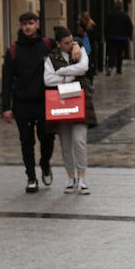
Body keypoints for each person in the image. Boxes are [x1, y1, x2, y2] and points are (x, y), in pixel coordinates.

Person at [0, 12, 56, 192]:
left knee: (47, 138)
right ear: (20, 26)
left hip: (44, 102)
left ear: (37, 24)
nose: (28, 27)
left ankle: (45, 163)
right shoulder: (13, 50)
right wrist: (6, 107)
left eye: (31, 23)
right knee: (26, 141)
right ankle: (31, 177)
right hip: (22, 103)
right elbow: (7, 80)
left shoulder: (48, 44)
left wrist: (77, 45)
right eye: (24, 24)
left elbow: (68, 43)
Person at [44, 26, 94, 194]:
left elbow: (83, 67)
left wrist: (61, 72)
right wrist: (69, 77)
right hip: (62, 103)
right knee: (65, 143)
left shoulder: (79, 50)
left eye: (72, 41)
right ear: (58, 43)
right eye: (66, 43)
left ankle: (82, 177)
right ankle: (71, 177)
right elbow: (47, 79)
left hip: (80, 99)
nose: (70, 44)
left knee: (79, 140)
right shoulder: (51, 57)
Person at [104, 5, 133, 75]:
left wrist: (106, 36)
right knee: (120, 53)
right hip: (122, 38)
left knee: (111, 53)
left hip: (111, 37)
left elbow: (106, 26)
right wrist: (129, 36)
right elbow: (130, 26)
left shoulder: (110, 15)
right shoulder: (125, 15)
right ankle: (119, 69)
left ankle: (110, 67)